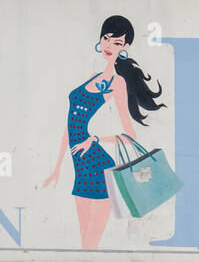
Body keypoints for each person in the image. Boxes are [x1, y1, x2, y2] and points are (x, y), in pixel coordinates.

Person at [42, 15, 165, 249]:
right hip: (80, 166)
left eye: (117, 42)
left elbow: (130, 134)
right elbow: (70, 127)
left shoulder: (117, 84)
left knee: (90, 244)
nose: (109, 46)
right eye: (107, 39)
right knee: (84, 245)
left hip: (98, 166)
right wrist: (57, 167)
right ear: (100, 40)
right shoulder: (93, 78)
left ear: (125, 47)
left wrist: (94, 140)